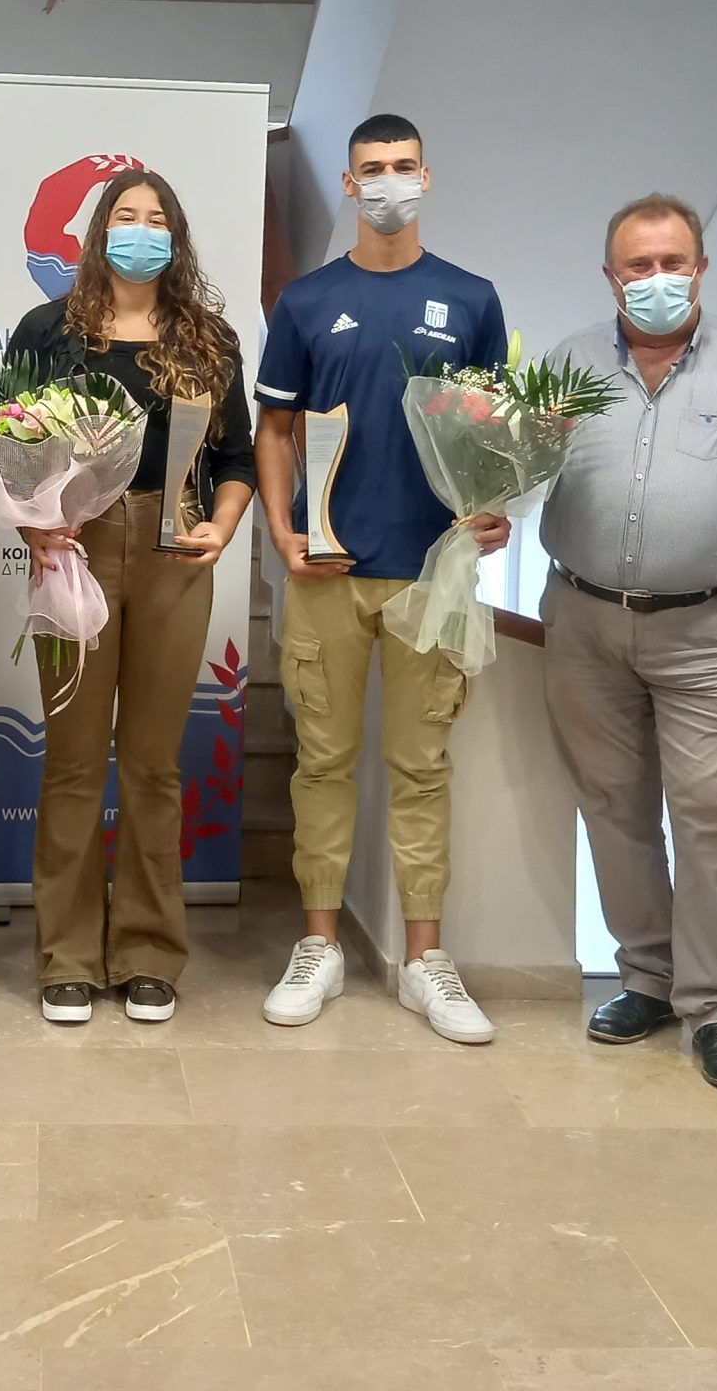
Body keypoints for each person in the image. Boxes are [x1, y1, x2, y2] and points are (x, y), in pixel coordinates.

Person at [538, 194, 717, 1092]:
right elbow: (520, 465)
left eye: (673, 263)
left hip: (709, 632)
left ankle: (716, 1007)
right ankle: (647, 979)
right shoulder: (568, 362)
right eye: (639, 265)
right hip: (584, 621)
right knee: (614, 808)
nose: (657, 279)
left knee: (714, 817)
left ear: (701, 268)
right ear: (610, 275)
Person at [251, 113, 512, 1044]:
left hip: (433, 573)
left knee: (421, 766)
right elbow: (274, 428)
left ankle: (426, 960)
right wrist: (282, 531)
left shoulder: (471, 298)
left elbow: (493, 429)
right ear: (351, 184)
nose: (388, 182)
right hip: (328, 567)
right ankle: (319, 945)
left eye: (404, 166)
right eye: (372, 168)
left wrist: (493, 507)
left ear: (426, 177)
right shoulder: (307, 301)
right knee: (320, 761)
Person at [4, 171, 258, 1026]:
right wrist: (35, 526)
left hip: (174, 550)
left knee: (153, 762)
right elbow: (9, 448)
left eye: (156, 220)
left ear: (174, 239)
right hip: (73, 550)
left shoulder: (208, 340)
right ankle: (68, 955)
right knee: (74, 760)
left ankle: (149, 952)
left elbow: (235, 458)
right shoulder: (47, 331)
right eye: (125, 216)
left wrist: (222, 525)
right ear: (99, 231)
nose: (140, 231)